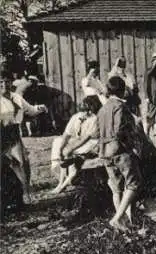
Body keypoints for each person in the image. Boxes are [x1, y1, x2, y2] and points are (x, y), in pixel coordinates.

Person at [97, 76, 143, 232]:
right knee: (134, 183)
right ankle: (117, 218)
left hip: (105, 152)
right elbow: (119, 131)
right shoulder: (120, 107)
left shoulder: (102, 108)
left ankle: (123, 223)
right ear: (123, 91)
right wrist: (132, 146)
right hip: (120, 150)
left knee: (117, 188)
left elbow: (98, 132)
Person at [1, 70, 48, 204]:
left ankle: (26, 193)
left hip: (13, 134)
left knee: (22, 162)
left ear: (12, 82)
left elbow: (31, 110)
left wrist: (40, 108)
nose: (4, 85)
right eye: (1, 82)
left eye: (7, 81)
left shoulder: (16, 97)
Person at [50, 95, 101, 194]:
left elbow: (86, 138)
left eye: (90, 110)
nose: (87, 113)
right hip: (78, 140)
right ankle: (60, 182)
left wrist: (71, 148)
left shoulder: (95, 119)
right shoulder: (76, 116)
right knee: (59, 143)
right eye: (85, 110)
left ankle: (64, 184)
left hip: (91, 142)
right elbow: (67, 134)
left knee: (72, 154)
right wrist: (61, 149)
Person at [143, 52, 156, 136]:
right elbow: (146, 84)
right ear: (153, 60)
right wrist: (146, 96)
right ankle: (148, 129)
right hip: (151, 95)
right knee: (151, 113)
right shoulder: (149, 70)